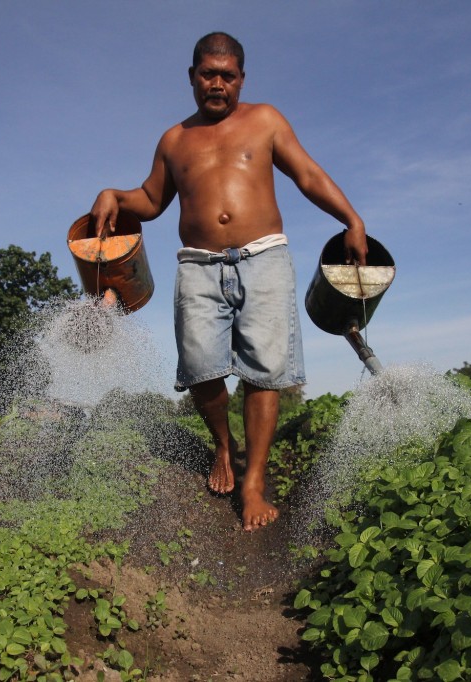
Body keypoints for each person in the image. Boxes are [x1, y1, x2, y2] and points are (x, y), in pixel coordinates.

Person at [90, 32, 368, 531]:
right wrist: (113, 194)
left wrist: (351, 219)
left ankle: (254, 481)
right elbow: (151, 201)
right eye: (207, 74)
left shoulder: (264, 120)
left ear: (242, 78)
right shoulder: (174, 140)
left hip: (263, 256)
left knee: (265, 370)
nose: (217, 84)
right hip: (197, 263)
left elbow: (307, 174)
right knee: (200, 366)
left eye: (228, 75)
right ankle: (224, 444)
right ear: (192, 76)